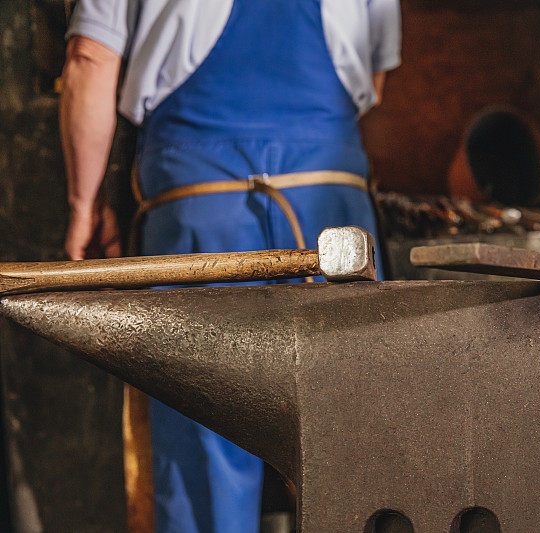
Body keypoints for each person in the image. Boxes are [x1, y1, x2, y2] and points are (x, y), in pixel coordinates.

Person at [59, 1, 401, 531]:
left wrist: (85, 205)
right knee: (352, 447)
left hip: (201, 213)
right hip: (331, 218)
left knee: (204, 454)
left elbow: (89, 58)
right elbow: (374, 82)